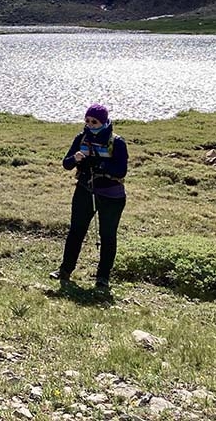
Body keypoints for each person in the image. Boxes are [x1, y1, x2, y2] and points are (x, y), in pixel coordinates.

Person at [52, 103, 129, 290]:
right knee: (76, 231)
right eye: (87, 120)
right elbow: (66, 164)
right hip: (85, 190)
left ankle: (103, 277)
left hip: (111, 196)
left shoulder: (117, 142)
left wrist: (100, 165)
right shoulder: (81, 138)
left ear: (103, 122)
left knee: (107, 236)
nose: (90, 124)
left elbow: (121, 170)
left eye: (94, 121)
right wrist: (76, 159)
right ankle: (65, 270)